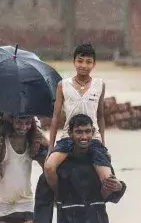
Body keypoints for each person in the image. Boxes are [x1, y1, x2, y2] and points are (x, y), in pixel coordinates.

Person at [34, 114, 127, 223]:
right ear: (70, 134)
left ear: (93, 133)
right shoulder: (58, 166)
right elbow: (42, 204)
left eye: (88, 131)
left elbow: (112, 197)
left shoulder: (100, 162)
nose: (84, 136)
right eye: (79, 132)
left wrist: (119, 187)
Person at [44, 43, 113, 198]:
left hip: (92, 138)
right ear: (74, 62)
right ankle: (60, 196)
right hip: (68, 138)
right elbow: (55, 117)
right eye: (80, 61)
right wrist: (50, 147)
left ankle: (97, 202)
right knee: (49, 167)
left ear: (94, 64)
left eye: (88, 62)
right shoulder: (63, 85)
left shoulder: (99, 85)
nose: (84, 65)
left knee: (108, 179)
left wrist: (103, 143)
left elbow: (100, 116)